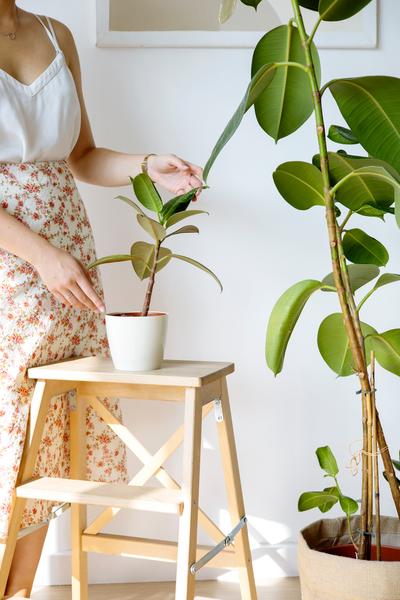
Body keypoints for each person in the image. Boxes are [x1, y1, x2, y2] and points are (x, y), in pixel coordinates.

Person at [0, 3, 203, 598]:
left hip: (71, 263)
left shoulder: (54, 34)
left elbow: (82, 157)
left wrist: (148, 166)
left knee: (49, 432)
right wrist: (39, 254)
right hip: (15, 260)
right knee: (6, 432)